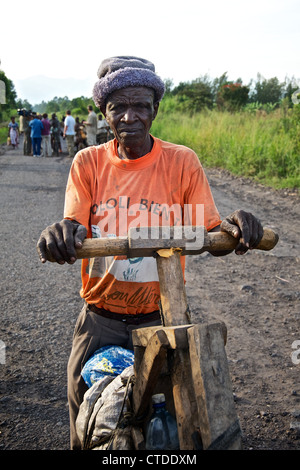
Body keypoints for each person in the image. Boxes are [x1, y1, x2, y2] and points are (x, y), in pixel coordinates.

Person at [36, 56, 264, 450]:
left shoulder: (181, 162)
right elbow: (74, 225)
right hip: (101, 319)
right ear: (103, 113)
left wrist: (237, 225)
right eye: (118, 107)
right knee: (88, 423)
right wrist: (62, 234)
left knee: (184, 418)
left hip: (164, 316)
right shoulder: (88, 163)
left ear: (155, 109)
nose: (130, 116)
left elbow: (210, 230)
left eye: (141, 105)